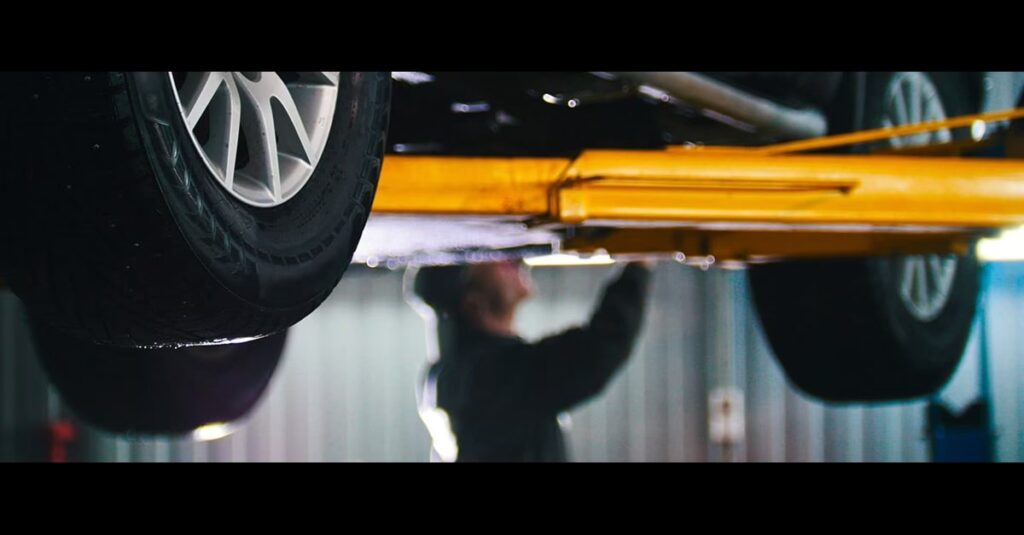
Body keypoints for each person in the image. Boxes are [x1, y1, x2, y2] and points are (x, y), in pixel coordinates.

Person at [409, 258, 652, 462]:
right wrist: (638, 262)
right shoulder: (488, 375)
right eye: (501, 262)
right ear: (473, 301)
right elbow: (600, 348)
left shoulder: (452, 374)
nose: (517, 260)